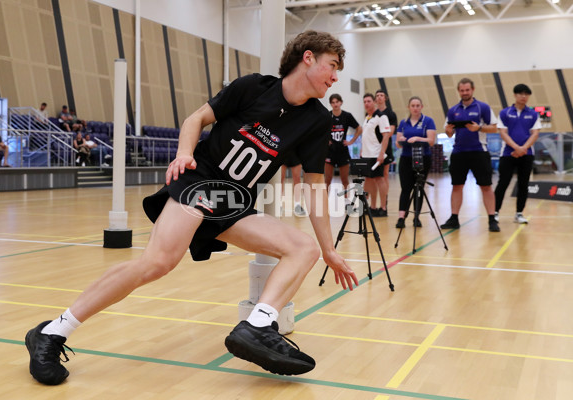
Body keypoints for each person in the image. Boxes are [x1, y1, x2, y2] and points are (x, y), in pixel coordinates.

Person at [24, 30, 359, 385]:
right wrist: (184, 153)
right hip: (199, 184)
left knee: (303, 249)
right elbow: (195, 119)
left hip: (233, 202)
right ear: (308, 58)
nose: (336, 76)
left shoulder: (318, 120)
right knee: (157, 263)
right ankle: (51, 332)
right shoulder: (253, 87)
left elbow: (315, 187)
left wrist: (329, 251)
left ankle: (259, 325)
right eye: (332, 65)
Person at [440, 78, 500, 232]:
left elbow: (494, 128)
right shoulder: (453, 110)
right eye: (462, 90)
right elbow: (449, 132)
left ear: (472, 89)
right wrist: (448, 131)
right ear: (459, 91)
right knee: (456, 186)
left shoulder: (483, 107)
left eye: (467, 90)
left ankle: (492, 219)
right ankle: (454, 218)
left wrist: (479, 128)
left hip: (479, 152)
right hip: (459, 152)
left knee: (486, 186)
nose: (465, 93)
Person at [494, 84, 541, 224]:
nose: (524, 96)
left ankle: (519, 213)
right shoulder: (504, 113)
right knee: (503, 182)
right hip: (508, 154)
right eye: (521, 94)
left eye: (526, 94)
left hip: (526, 154)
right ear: (515, 95)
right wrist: (516, 147)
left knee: (523, 184)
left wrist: (523, 148)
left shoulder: (533, 114)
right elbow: (503, 132)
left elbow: (535, 133)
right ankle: (495, 212)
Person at [395, 96, 437, 228]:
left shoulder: (428, 121)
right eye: (413, 105)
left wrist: (418, 138)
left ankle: (416, 217)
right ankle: (401, 218)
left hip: (422, 157)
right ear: (409, 107)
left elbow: (431, 141)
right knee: (405, 188)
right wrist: (402, 140)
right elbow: (398, 144)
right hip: (406, 158)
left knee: (419, 188)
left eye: (418, 105)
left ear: (421, 107)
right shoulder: (403, 122)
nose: (415, 108)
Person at [325, 93, 362, 202]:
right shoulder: (327, 116)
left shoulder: (347, 116)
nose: (335, 104)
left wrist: (351, 141)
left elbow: (359, 128)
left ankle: (346, 202)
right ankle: (325, 202)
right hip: (330, 152)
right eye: (333, 102)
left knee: (345, 179)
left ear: (341, 102)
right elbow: (319, 130)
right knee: (327, 179)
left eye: (337, 102)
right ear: (331, 104)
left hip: (342, 151)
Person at [360, 93, 391, 216]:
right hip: (367, 155)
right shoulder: (367, 118)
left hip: (376, 154)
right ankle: (372, 207)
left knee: (380, 179)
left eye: (369, 101)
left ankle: (383, 208)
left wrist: (381, 153)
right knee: (369, 180)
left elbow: (386, 135)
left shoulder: (381, 117)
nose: (367, 104)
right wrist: (363, 150)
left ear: (374, 102)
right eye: (365, 102)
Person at [370, 90, 397, 216]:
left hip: (385, 149)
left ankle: (383, 204)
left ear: (385, 98)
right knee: (373, 178)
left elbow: (390, 132)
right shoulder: (372, 114)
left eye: (381, 95)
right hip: (372, 150)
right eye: (377, 96)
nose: (379, 97)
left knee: (384, 175)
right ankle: (373, 205)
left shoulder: (390, 114)